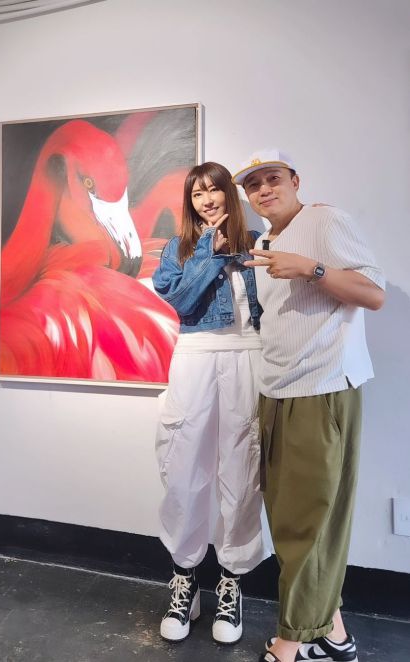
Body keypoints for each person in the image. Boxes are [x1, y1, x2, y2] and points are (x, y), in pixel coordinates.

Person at [232, 149, 385, 662]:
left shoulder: (324, 221)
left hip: (322, 390)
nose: (264, 190)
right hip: (277, 391)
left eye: (272, 178)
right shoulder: (264, 242)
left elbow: (373, 294)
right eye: (253, 185)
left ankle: (291, 643)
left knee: (309, 524)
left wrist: (311, 268)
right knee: (290, 519)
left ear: (295, 180)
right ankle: (334, 633)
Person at [152, 161, 269, 644]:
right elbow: (180, 302)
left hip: (249, 358)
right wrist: (210, 252)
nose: (206, 200)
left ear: (228, 194)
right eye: (196, 194)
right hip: (195, 358)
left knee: (242, 469)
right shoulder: (178, 249)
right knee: (183, 467)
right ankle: (184, 578)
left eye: (213, 190)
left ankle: (231, 582)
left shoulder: (258, 243)